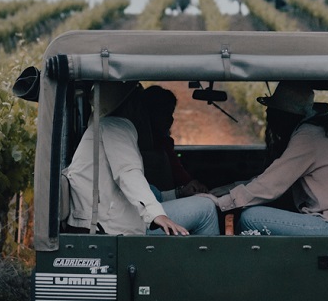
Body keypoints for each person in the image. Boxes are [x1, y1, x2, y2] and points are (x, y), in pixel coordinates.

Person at [63, 81, 219, 236]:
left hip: (112, 218)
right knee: (207, 209)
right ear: (131, 104)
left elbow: (139, 187)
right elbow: (128, 173)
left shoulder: (106, 127)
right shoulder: (115, 127)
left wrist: (178, 193)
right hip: (113, 225)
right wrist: (157, 214)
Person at [206, 81, 328, 236]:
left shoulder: (308, 137)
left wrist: (222, 203)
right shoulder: (314, 132)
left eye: (272, 110)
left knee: (251, 218)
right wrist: (224, 191)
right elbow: (267, 180)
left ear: (284, 115)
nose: (267, 112)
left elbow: (270, 185)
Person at [142, 84, 208, 196]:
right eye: (165, 113)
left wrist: (191, 184)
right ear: (150, 114)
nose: (171, 119)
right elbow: (179, 175)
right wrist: (188, 186)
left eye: (171, 113)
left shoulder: (163, 143)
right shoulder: (154, 146)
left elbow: (179, 174)